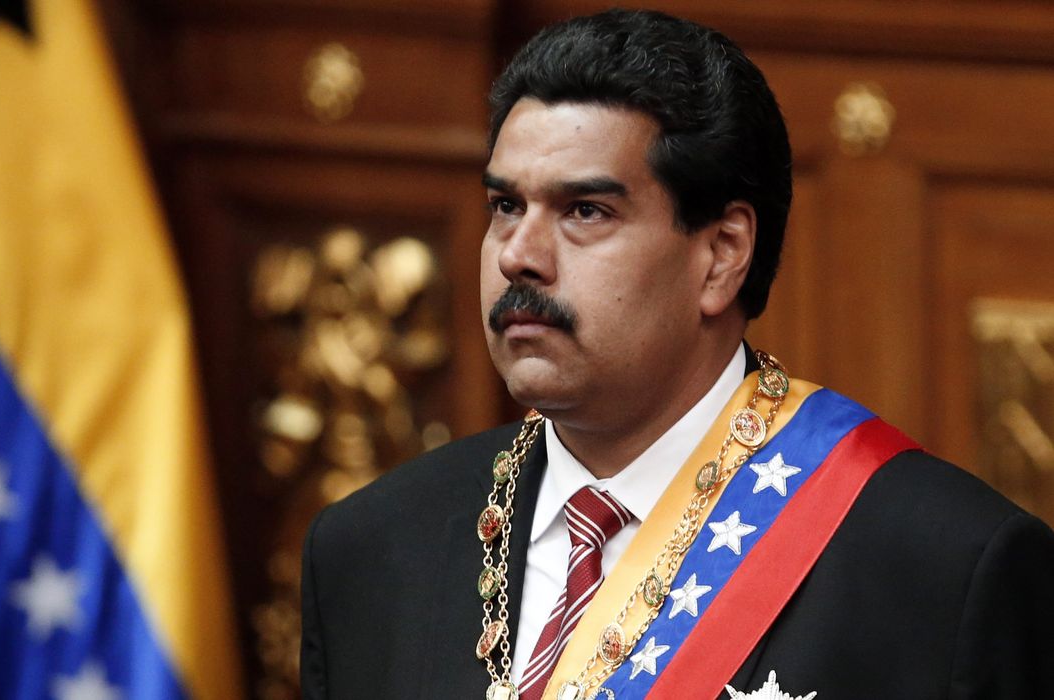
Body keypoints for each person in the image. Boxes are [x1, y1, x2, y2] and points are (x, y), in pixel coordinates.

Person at [299, 9, 1054, 699]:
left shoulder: (946, 572)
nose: (518, 256)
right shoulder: (369, 550)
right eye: (506, 206)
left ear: (721, 255)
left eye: (584, 211)